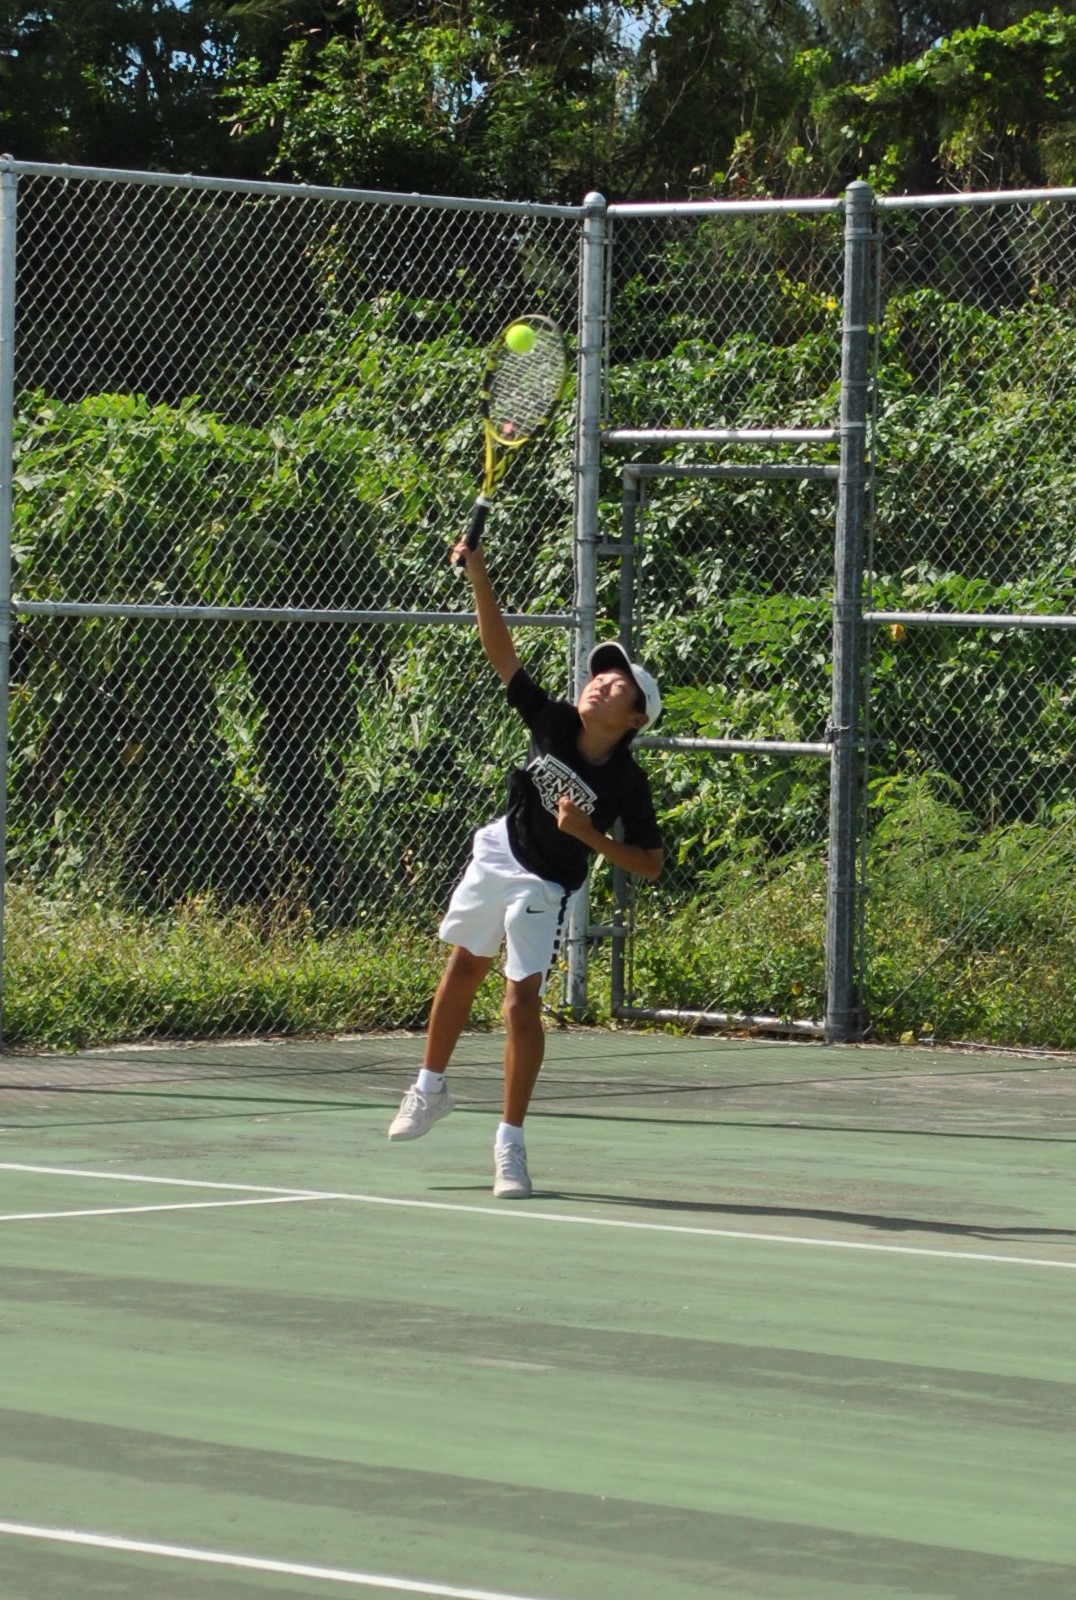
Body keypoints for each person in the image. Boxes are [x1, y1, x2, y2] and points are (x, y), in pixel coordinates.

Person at [387, 533, 664, 1199]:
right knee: (463, 967)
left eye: (617, 683)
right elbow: (501, 650)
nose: (600, 681)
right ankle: (430, 1087)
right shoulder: (551, 721)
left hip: (548, 882)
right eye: (600, 673)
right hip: (500, 851)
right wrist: (477, 569)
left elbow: (650, 865)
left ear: (633, 719)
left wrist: (588, 835)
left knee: (519, 1001)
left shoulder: (628, 783)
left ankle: (509, 1145)